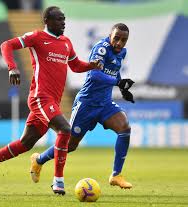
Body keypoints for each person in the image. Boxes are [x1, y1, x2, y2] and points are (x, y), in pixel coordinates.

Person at [0, 6, 102, 195]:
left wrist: (91, 65)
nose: (63, 23)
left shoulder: (66, 42)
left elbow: (75, 65)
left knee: (25, 143)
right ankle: (58, 181)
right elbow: (6, 45)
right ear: (47, 21)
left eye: (64, 19)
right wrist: (12, 67)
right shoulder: (37, 37)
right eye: (58, 19)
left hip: (52, 102)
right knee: (65, 130)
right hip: (40, 97)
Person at [30, 23, 135, 189]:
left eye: (124, 40)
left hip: (105, 103)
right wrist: (118, 82)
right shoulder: (101, 49)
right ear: (110, 35)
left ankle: (116, 175)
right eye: (116, 38)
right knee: (70, 145)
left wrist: (122, 88)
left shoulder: (122, 52)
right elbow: (94, 74)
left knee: (125, 128)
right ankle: (39, 160)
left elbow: (115, 71)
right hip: (86, 104)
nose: (120, 43)